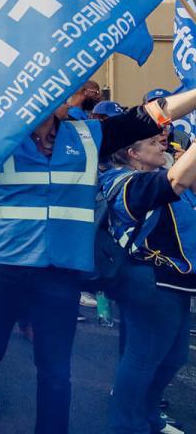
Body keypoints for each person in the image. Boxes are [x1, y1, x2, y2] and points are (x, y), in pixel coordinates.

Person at [0, 85, 196, 434]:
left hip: (59, 275)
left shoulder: (89, 135)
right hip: (2, 271)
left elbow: (153, 114)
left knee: (55, 373)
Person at [102, 134, 196, 434]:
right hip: (151, 282)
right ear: (133, 153)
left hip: (179, 282)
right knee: (144, 358)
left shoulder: (156, 175)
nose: (162, 146)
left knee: (173, 358)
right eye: (154, 144)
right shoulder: (124, 182)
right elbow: (172, 186)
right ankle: (126, 425)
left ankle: (150, 416)